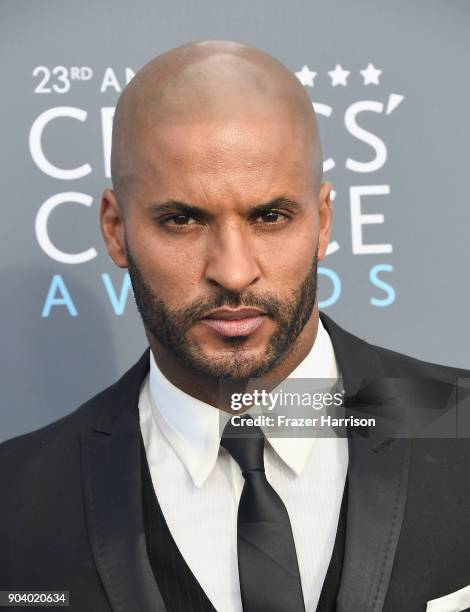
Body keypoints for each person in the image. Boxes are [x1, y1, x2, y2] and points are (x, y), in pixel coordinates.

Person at [1, 39, 469, 612]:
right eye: (182, 220)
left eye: (270, 217)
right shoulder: (15, 500)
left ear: (322, 222)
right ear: (116, 230)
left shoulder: (461, 419)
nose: (233, 271)